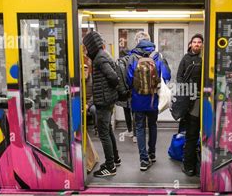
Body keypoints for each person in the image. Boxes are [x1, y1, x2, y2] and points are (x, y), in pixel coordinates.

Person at [126, 31, 171, 171]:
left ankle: (143, 160)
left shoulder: (132, 57)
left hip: (137, 99)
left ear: (137, 41)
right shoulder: (157, 56)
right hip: (153, 99)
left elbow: (129, 79)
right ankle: (152, 154)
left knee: (139, 128)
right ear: (150, 41)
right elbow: (167, 76)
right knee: (152, 125)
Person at [83, 31, 121, 177]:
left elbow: (113, 77)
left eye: (86, 47)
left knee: (104, 134)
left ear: (91, 45)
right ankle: (115, 159)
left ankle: (110, 167)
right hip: (106, 100)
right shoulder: (103, 55)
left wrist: (107, 91)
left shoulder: (99, 58)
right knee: (108, 130)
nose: (85, 50)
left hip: (103, 102)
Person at [176, 33, 203, 176]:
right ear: (190, 44)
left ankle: (199, 164)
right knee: (191, 134)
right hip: (191, 103)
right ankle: (189, 167)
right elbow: (179, 78)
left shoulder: (206, 59)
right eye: (195, 42)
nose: (197, 44)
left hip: (205, 102)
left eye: (199, 42)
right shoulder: (186, 59)